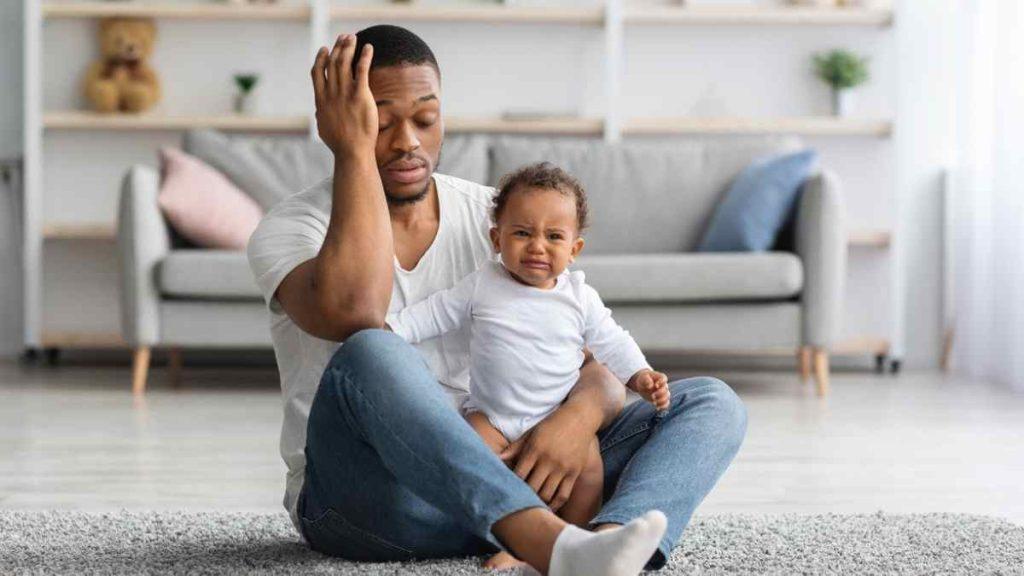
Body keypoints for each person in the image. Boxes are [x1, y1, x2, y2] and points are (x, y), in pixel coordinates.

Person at [247, 24, 747, 575]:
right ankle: (547, 540)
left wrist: (576, 420)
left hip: (512, 472)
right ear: (342, 124)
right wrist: (353, 154)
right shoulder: (290, 230)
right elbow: (357, 312)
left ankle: (601, 546)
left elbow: (586, 358)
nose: (407, 141)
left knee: (709, 401)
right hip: (376, 503)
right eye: (381, 123)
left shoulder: (501, 220)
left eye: (425, 119)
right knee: (373, 348)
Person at [385, 162, 673, 568]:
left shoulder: (578, 297)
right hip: (492, 417)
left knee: (588, 471)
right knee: (472, 459)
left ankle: (577, 541)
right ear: (496, 238)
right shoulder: (483, 284)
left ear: (574, 249)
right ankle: (514, 541)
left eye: (554, 237)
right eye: (522, 233)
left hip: (557, 417)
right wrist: (389, 329)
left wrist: (641, 376)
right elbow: (433, 314)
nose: (537, 246)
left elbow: (612, 340)